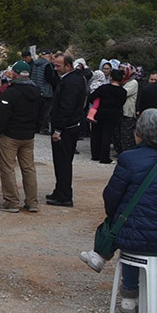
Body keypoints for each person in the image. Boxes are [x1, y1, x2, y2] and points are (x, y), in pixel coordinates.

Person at [78, 109, 157, 313]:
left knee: (128, 223)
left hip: (138, 238)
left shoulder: (130, 158)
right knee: (136, 221)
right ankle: (102, 257)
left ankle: (128, 294)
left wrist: (114, 217)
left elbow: (111, 198)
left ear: (140, 133)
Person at [0, 60, 41, 213]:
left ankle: (12, 202)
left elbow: (4, 115)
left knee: (7, 168)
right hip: (28, 136)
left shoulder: (10, 92)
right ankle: (32, 202)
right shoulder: (37, 91)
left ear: (14, 73)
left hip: (10, 135)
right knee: (28, 169)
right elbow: (42, 114)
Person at [47, 53, 88, 207]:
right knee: (61, 162)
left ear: (68, 66)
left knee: (63, 162)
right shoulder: (72, 79)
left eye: (58, 66)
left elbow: (67, 107)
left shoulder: (72, 82)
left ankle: (64, 196)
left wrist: (58, 130)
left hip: (66, 129)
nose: (55, 68)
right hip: (69, 126)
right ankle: (60, 190)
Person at [88, 69, 126, 164]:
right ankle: (104, 157)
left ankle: (95, 154)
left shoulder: (103, 88)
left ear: (111, 77)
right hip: (113, 114)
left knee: (96, 133)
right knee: (107, 136)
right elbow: (122, 103)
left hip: (100, 113)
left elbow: (91, 97)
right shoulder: (123, 92)